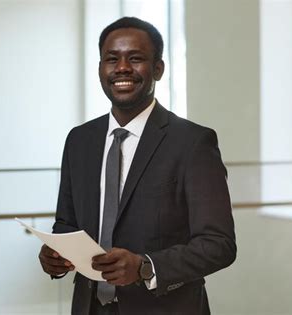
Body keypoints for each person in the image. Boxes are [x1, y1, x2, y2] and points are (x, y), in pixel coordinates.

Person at [39, 16, 236, 315]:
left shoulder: (193, 142)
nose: (122, 68)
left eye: (136, 58)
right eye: (111, 59)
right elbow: (66, 224)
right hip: (90, 307)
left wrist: (146, 267)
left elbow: (219, 244)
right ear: (100, 68)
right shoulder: (79, 140)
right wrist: (55, 256)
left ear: (158, 68)